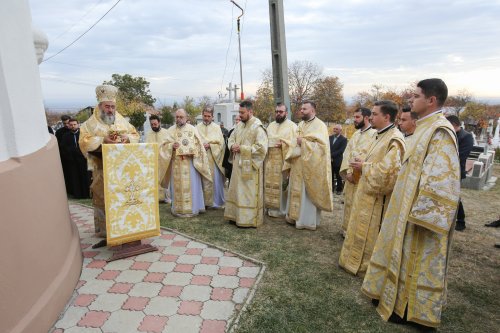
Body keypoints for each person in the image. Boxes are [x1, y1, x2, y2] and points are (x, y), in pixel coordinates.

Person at [362, 79, 460, 329]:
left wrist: (423, 213)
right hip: (403, 208)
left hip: (418, 215)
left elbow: (442, 177)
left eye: (415, 96)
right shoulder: (422, 128)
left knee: (415, 262)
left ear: (431, 100)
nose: (410, 100)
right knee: (400, 257)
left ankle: (412, 311)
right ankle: (396, 303)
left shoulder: (440, 131)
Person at [339, 100, 405, 276]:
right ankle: (351, 261)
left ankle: (364, 266)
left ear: (387, 116)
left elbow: (389, 172)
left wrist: (364, 167)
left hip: (377, 199)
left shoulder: (394, 139)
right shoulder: (379, 135)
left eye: (375, 114)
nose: (371, 117)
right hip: (364, 191)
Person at [79, 84, 140, 247]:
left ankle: (124, 229)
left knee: (122, 198)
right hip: (102, 170)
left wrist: (127, 138)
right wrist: (102, 140)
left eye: (113, 106)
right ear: (100, 106)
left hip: (123, 171)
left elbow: (135, 134)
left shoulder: (121, 120)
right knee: (103, 198)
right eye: (107, 106)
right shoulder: (89, 124)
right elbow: (83, 141)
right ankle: (106, 233)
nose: (111, 110)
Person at [285, 101, 333, 230]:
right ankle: (294, 217)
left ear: (312, 110)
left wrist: (304, 142)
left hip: (310, 167)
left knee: (306, 195)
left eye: (304, 109)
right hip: (297, 165)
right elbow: (294, 141)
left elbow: (322, 148)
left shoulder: (320, 126)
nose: (301, 111)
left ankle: (305, 221)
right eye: (301, 109)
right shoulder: (300, 124)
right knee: (295, 191)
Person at [158, 109, 211, 217]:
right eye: (177, 117)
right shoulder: (171, 130)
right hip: (176, 164)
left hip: (190, 164)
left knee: (192, 187)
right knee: (177, 187)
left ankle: (193, 208)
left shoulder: (193, 129)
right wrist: (171, 146)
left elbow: (200, 147)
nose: (179, 119)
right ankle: (177, 209)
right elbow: (163, 146)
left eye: (181, 117)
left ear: (186, 118)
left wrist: (193, 151)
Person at [224, 100, 268, 227]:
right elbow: (231, 138)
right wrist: (232, 146)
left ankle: (248, 219)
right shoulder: (239, 125)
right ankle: (235, 216)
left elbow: (261, 148)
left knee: (247, 192)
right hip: (238, 164)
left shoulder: (258, 127)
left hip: (251, 167)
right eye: (239, 112)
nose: (240, 115)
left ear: (250, 112)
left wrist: (242, 148)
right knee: (237, 190)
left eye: (242, 112)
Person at [339, 108, 377, 235]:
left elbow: (369, 156)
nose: (354, 120)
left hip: (361, 177)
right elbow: (347, 154)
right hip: (350, 177)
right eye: (354, 117)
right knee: (349, 204)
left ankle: (354, 233)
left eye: (357, 117)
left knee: (358, 206)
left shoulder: (374, 134)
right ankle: (347, 230)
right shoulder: (355, 134)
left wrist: (356, 173)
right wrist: (347, 172)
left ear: (366, 118)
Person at [264, 103, 297, 218]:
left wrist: (283, 144)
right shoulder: (270, 125)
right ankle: (269, 206)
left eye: (281, 112)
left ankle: (281, 209)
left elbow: (294, 144)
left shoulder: (292, 126)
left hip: (283, 161)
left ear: (286, 113)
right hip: (270, 161)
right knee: (268, 184)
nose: (278, 114)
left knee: (282, 185)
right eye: (276, 111)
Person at [446, 115, 474, 231]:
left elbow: (461, 155)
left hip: (456, 170)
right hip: (446, 169)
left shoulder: (466, 137)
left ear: (454, 125)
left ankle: (461, 221)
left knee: (456, 196)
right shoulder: (450, 134)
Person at [196, 107, 226, 209]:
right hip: (201, 158)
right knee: (202, 180)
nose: (206, 118)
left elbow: (221, 144)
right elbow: (194, 142)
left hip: (214, 158)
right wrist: (200, 146)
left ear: (212, 117)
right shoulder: (197, 127)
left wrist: (211, 146)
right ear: (202, 115)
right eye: (205, 116)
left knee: (215, 181)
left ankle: (215, 202)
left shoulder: (217, 128)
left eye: (209, 116)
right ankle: (204, 202)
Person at [60, 118, 90, 199]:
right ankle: (78, 194)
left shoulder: (83, 135)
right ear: (69, 126)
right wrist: (70, 157)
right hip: (72, 161)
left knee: (86, 177)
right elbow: (63, 148)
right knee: (75, 177)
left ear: (78, 125)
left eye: (74, 124)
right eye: (71, 125)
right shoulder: (65, 136)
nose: (73, 126)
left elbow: (87, 145)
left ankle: (87, 194)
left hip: (84, 159)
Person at [145, 114, 171, 204]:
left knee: (165, 178)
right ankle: (155, 197)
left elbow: (169, 146)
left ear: (159, 123)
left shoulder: (166, 133)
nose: (153, 126)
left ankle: (166, 198)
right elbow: (146, 147)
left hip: (164, 160)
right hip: (153, 160)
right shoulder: (148, 134)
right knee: (154, 178)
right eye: (152, 124)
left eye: (155, 124)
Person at [55, 114, 72, 194]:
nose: (66, 125)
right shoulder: (59, 132)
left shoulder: (75, 130)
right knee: (67, 174)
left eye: (68, 123)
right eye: (64, 123)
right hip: (64, 157)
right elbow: (58, 145)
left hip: (75, 156)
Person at [329, 124, 348, 195]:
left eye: (336, 129)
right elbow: (327, 147)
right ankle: (331, 189)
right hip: (329, 160)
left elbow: (341, 150)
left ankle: (339, 189)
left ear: (340, 130)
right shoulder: (330, 138)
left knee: (338, 175)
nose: (334, 130)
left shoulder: (343, 139)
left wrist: (331, 155)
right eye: (334, 129)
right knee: (330, 175)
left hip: (337, 160)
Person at [222, 114, 241, 184]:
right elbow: (227, 147)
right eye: (236, 120)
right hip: (232, 160)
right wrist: (232, 147)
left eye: (239, 119)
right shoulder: (231, 131)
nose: (237, 121)